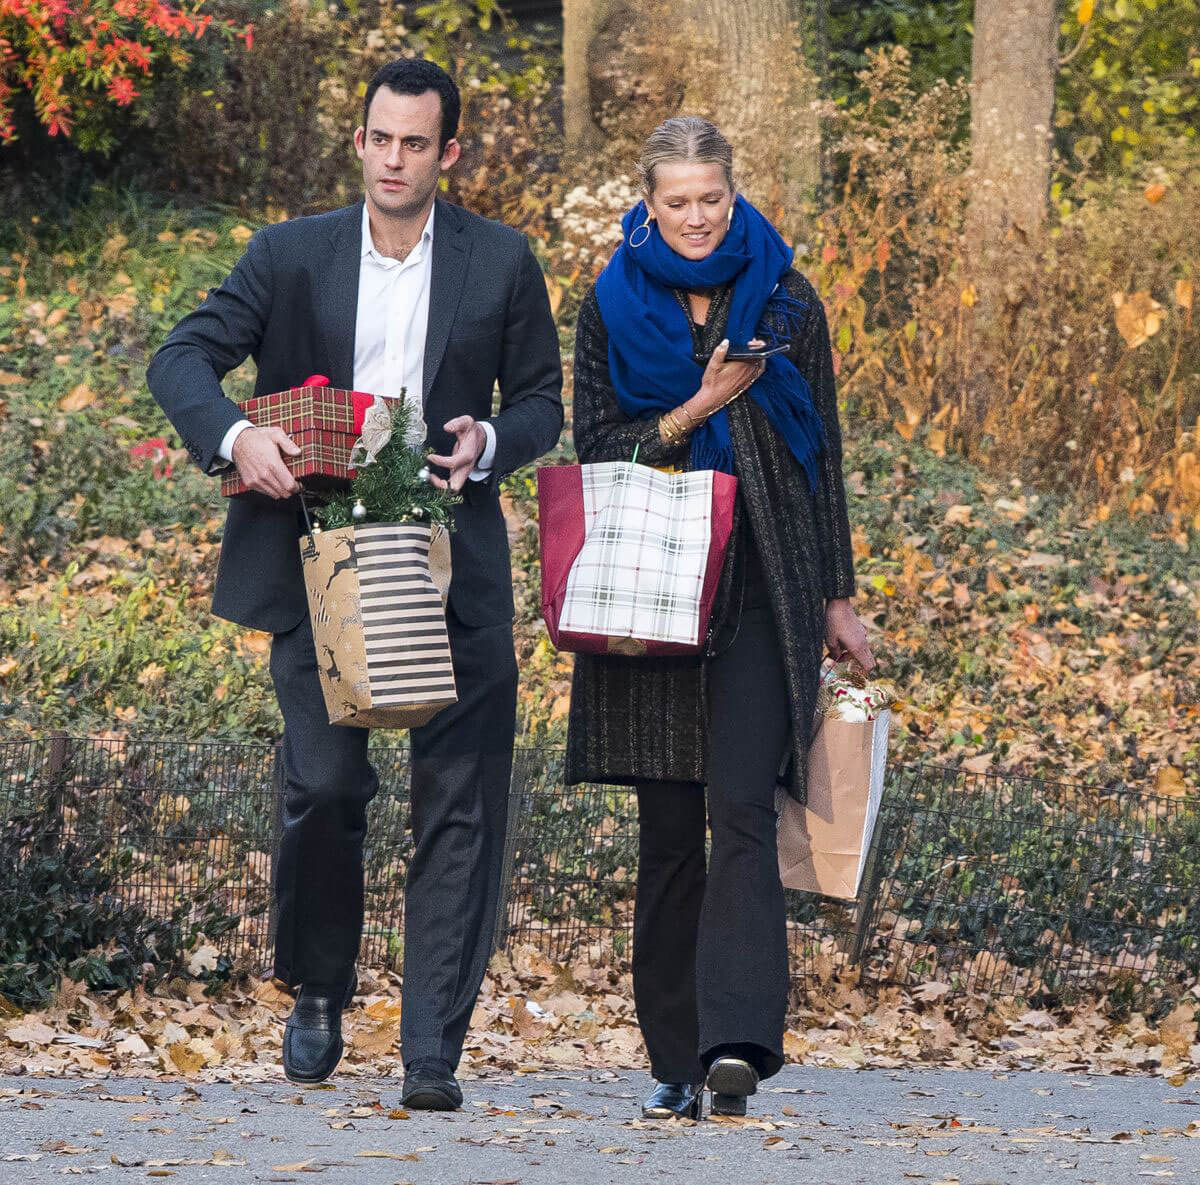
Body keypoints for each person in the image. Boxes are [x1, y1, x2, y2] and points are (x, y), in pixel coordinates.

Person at [146, 58, 563, 1108]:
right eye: (380, 139)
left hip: (447, 559)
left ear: (449, 153)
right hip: (312, 553)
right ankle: (319, 987)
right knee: (325, 785)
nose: (393, 159)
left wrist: (492, 439)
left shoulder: (502, 261)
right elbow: (181, 357)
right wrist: (240, 437)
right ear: (362, 141)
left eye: (416, 143)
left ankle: (432, 1050)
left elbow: (545, 402)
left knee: (459, 802)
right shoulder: (290, 256)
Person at [565, 116, 875, 1120]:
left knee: (740, 811)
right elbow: (599, 448)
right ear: (646, 205)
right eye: (677, 202)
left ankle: (737, 1045)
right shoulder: (607, 307)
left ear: (733, 195)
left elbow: (819, 451)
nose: (697, 219)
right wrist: (697, 409)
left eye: (713, 200)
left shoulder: (787, 300)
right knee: (667, 836)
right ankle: (672, 1061)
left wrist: (837, 594)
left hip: (759, 588)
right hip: (648, 594)